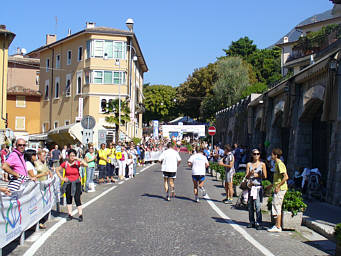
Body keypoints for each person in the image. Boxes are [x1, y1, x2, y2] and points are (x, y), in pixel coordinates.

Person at [56, 149, 88, 222]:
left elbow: (86, 165)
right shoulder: (65, 163)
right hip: (68, 183)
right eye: (71, 155)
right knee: (68, 198)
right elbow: (57, 170)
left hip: (76, 182)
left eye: (73, 155)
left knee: (77, 198)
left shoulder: (77, 163)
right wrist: (62, 178)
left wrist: (78, 159)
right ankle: (70, 214)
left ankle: (80, 215)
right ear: (68, 156)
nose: (72, 157)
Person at [267, 148, 288, 233]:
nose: (271, 156)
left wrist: (278, 186)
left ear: (275, 155)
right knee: (275, 205)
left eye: (272, 154)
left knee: (277, 206)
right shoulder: (276, 164)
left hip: (280, 189)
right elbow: (277, 179)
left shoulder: (280, 164)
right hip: (277, 188)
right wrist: (271, 185)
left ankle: (278, 226)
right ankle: (276, 225)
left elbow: (285, 177)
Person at [245, 149, 267, 230]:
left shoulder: (262, 164)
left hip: (258, 187)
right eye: (254, 154)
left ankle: (259, 222)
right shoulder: (249, 164)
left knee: (257, 205)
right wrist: (250, 173)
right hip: (251, 186)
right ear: (252, 155)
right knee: (250, 205)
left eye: (258, 154)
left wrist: (258, 175)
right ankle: (251, 221)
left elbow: (265, 176)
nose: (256, 155)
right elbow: (246, 176)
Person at [34, 150, 52, 229]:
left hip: (44, 185)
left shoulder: (44, 162)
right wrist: (43, 174)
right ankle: (38, 221)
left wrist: (50, 172)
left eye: (45, 155)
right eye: (43, 155)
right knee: (38, 204)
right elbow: (33, 175)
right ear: (39, 156)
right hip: (37, 185)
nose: (45, 157)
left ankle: (42, 218)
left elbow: (47, 169)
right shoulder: (36, 163)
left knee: (43, 202)